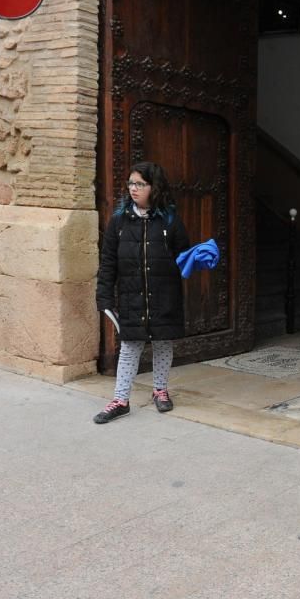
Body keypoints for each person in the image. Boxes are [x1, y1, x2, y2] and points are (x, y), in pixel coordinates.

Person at [94, 161, 190, 424]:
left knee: (162, 344)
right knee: (129, 347)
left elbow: (184, 257)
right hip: (131, 297)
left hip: (163, 296)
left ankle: (160, 390)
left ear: (154, 187)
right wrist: (103, 296)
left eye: (140, 184)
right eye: (131, 183)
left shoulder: (170, 220)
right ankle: (120, 399)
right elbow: (109, 261)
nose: (133, 189)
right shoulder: (119, 222)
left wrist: (200, 258)